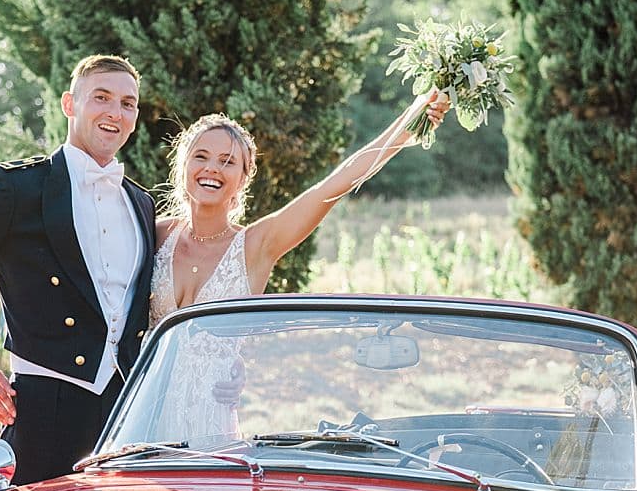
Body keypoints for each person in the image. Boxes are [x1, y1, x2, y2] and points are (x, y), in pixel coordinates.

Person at [0, 54, 155, 485]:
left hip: (123, 414)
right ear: (69, 104)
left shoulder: (141, 203)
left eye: (128, 104)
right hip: (43, 409)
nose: (116, 112)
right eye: (102, 98)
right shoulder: (19, 188)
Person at [146, 92, 449, 440]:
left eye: (228, 161)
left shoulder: (257, 245)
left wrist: (410, 122)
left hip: (209, 423)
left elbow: (333, 185)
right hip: (144, 415)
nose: (212, 168)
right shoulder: (155, 234)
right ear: (183, 167)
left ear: (244, 178)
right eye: (201, 156)